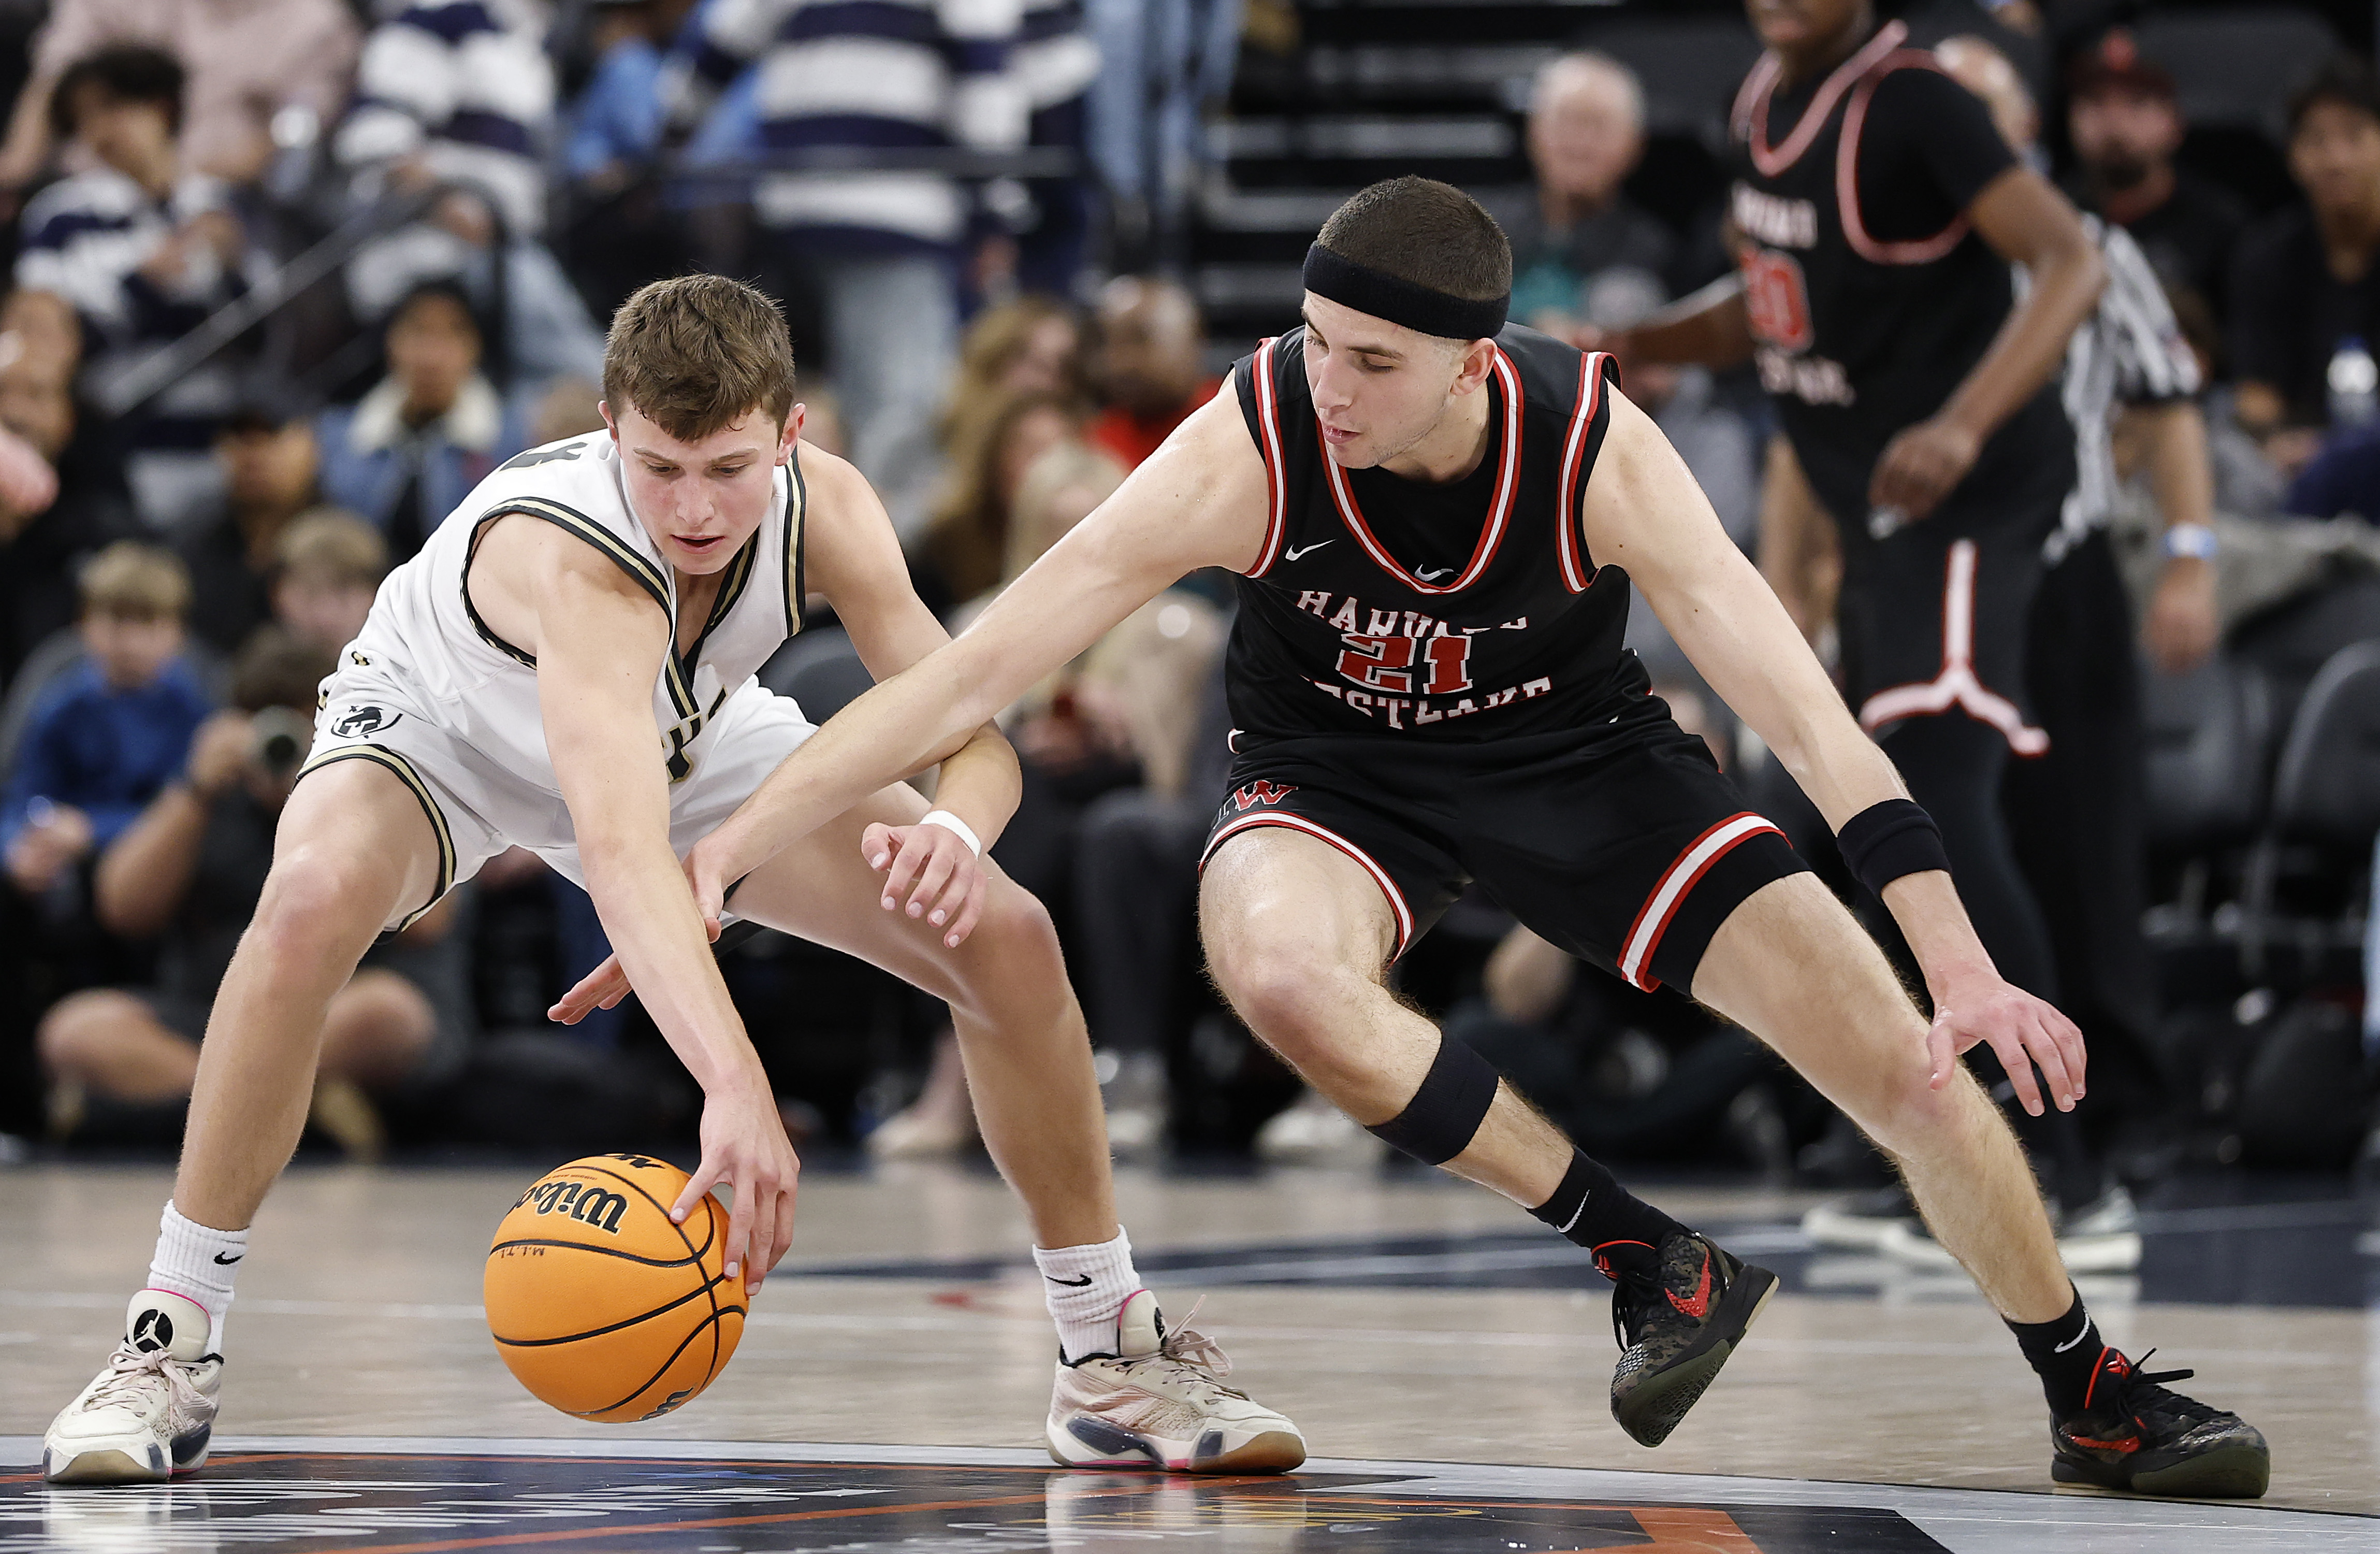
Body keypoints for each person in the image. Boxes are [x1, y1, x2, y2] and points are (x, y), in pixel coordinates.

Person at [573, 176, 2269, 1495]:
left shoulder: (1595, 442)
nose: (1328, 387)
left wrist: (1958, 962)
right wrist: (720, 856)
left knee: (1903, 1069)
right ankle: (1641, 1251)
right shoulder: (1250, 437)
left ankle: (2088, 1390)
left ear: (1479, 359)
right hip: (1334, 778)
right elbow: (981, 665)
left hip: (1587, 765)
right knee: (1272, 968)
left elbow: (1814, 722)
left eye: (1371, 364)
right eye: (1313, 343)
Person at [38, 274, 1300, 1485]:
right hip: (441, 726)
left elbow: (975, 730)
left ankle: (1105, 1355)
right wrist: (735, 1089)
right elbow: (620, 851)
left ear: (791, 435)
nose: (694, 509)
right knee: (307, 903)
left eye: (729, 470)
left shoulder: (833, 508)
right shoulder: (584, 565)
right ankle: (169, 1336)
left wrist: (957, 835)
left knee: (1008, 936)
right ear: (608, 429)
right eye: (660, 467)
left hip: (685, 728)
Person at [36, 631, 466, 1158]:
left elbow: (430, 922)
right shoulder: (210, 795)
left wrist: (328, 787)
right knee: (76, 1031)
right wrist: (193, 789)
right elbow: (122, 909)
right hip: (213, 1017)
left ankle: (187, 1112)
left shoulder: (372, 784)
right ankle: (298, 1111)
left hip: (335, 1010)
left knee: (389, 1016)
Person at [16, 45, 252, 529]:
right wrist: (143, 284)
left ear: (161, 108)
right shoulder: (61, 215)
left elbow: (264, 341)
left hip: (217, 450)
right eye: (83, 119)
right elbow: (43, 345)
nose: (98, 131)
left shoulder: (217, 205)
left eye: (113, 108)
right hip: (111, 453)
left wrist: (232, 270)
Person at [2, 542, 210, 904]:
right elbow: (24, 795)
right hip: (65, 873)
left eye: (147, 623)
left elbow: (188, 809)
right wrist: (13, 850)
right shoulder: (62, 704)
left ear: (177, 632)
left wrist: (93, 829)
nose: (129, 643)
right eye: (115, 621)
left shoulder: (194, 709)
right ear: (84, 624)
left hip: (161, 877)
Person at [0, 0, 358, 199]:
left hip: (224, 206)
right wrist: (15, 166)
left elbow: (293, 137)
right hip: (91, 193)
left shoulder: (315, 22)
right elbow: (57, 65)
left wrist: (170, 179)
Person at [2230, 57, 2380, 476]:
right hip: (2295, 462)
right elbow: (2255, 394)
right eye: (2316, 140)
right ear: (2293, 156)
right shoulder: (2266, 254)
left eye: (2355, 137)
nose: (2336, 160)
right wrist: (2279, 443)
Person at [317, 281, 531, 566]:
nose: (431, 356)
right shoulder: (338, 436)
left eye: (451, 334)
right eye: (418, 332)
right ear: (390, 342)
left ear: (475, 346)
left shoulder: (516, 441)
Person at [2062, 26, 2244, 331]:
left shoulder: (2222, 230)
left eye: (2136, 104)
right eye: (2096, 102)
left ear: (2175, 122)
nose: (2115, 122)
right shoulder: (2052, 216)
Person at [1507, 53, 1675, 338]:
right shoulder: (1480, 230)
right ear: (1533, 131)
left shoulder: (1656, 253)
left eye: (1598, 126)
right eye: (1566, 121)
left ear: (1635, 145)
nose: (1579, 144)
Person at [176, 396, 323, 655]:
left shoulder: (344, 543)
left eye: (271, 435)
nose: (253, 454)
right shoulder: (192, 539)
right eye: (241, 438)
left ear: (311, 445)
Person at [1085, 277, 1217, 472]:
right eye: (1111, 343)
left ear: (1195, 340)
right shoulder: (1097, 444)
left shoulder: (1242, 418)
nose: (1121, 362)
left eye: (1140, 340)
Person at [269, 510, 385, 655]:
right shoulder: (258, 671)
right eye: (309, 594)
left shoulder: (405, 667)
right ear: (277, 594)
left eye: (344, 595)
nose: (325, 619)